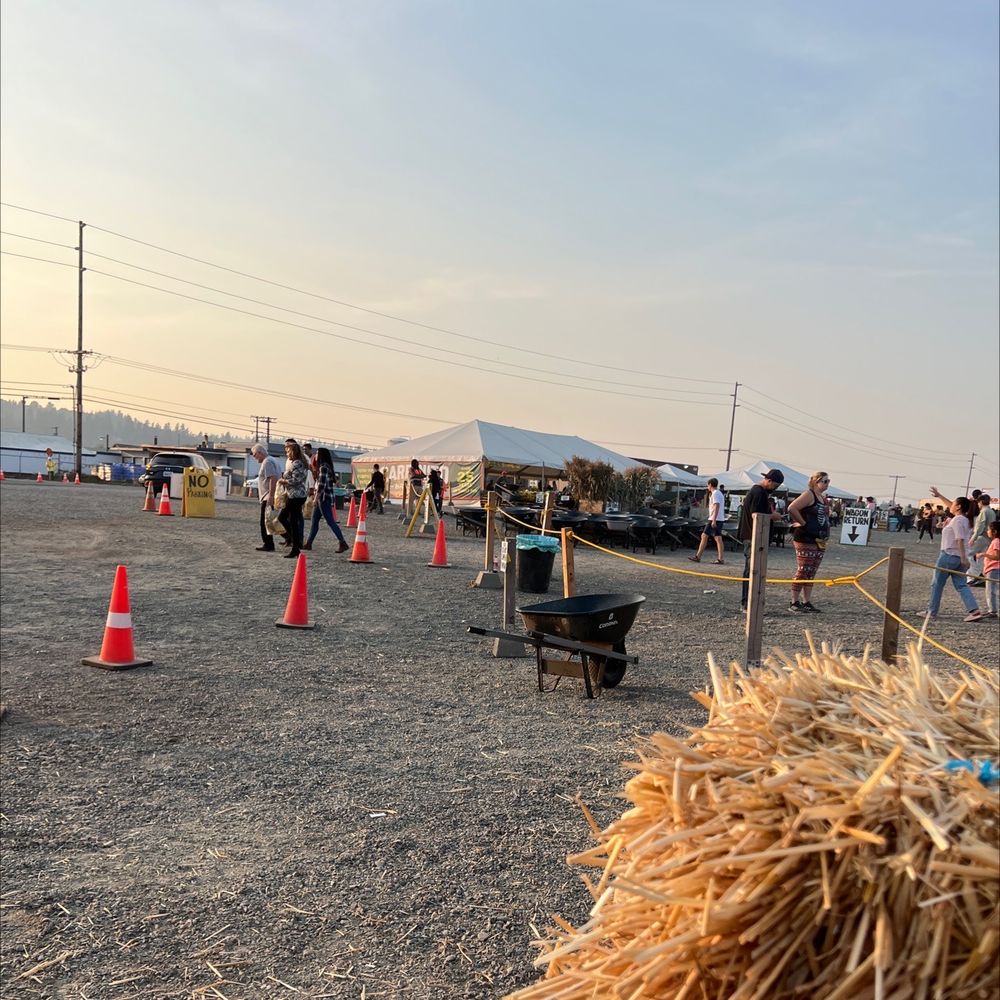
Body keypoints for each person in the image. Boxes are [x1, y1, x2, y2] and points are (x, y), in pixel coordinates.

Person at [925, 488, 983, 622]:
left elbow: (959, 539)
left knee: (937, 584)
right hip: (959, 557)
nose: (951, 506)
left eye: (954, 503)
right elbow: (952, 506)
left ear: (959, 506)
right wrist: (939, 495)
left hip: (949, 555)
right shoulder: (965, 519)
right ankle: (974, 611)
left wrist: (963, 558)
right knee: (961, 585)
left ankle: (931, 612)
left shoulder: (958, 520)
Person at [736, 469, 785, 611]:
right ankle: (747, 603)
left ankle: (751, 602)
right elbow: (756, 515)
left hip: (756, 536)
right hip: (753, 536)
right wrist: (773, 516)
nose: (775, 489)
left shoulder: (759, 492)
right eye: (775, 486)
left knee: (754, 569)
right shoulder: (758, 493)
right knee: (752, 570)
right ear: (769, 481)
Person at [787, 472, 832, 613]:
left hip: (818, 538)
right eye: (824, 481)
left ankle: (806, 601)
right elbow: (792, 508)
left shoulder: (823, 499)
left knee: (812, 570)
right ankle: (794, 601)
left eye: (828, 481)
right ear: (816, 481)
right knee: (803, 569)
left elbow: (825, 516)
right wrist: (802, 523)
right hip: (805, 537)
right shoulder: (809, 495)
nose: (827, 484)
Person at [303, 448, 349, 553]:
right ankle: (309, 543)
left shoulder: (323, 467)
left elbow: (321, 485)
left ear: (322, 455)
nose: (316, 455)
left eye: (318, 453)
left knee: (330, 521)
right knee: (314, 521)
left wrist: (316, 498)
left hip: (323, 498)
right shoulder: (326, 467)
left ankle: (342, 542)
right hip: (324, 498)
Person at [276, 440, 309, 559]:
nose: (286, 454)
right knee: (291, 520)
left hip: (296, 495)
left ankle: (295, 543)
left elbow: (296, 480)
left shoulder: (297, 463)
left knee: (284, 518)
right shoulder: (298, 462)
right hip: (294, 495)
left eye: (288, 451)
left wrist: (283, 481)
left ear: (293, 451)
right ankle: (295, 543)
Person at [251, 444, 282, 552]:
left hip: (268, 495)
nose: (254, 458)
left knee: (265, 521)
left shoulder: (267, 462)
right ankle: (289, 538)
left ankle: (268, 544)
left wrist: (271, 496)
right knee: (274, 520)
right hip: (269, 495)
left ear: (260, 453)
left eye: (255, 455)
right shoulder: (272, 460)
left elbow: (272, 478)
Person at [689, 478, 727, 565]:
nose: (707, 487)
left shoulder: (715, 493)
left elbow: (717, 506)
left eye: (708, 485)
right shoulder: (718, 493)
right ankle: (719, 558)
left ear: (710, 484)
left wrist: (713, 519)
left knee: (706, 536)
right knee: (716, 538)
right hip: (717, 518)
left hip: (715, 518)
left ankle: (698, 556)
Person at [967, 494, 996, 586]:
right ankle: (981, 576)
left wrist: (973, 538)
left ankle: (976, 575)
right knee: (981, 558)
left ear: (981, 502)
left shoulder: (984, 511)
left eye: (978, 502)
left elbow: (980, 526)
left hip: (981, 537)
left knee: (967, 553)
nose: (978, 504)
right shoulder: (991, 511)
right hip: (988, 538)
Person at [979, 520, 999, 618]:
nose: (987, 531)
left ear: (994, 531)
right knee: (991, 590)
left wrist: (984, 554)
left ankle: (992, 611)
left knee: (990, 590)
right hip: (992, 569)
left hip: (993, 569)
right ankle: (992, 610)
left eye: (988, 530)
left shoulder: (996, 541)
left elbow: (997, 556)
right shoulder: (996, 541)